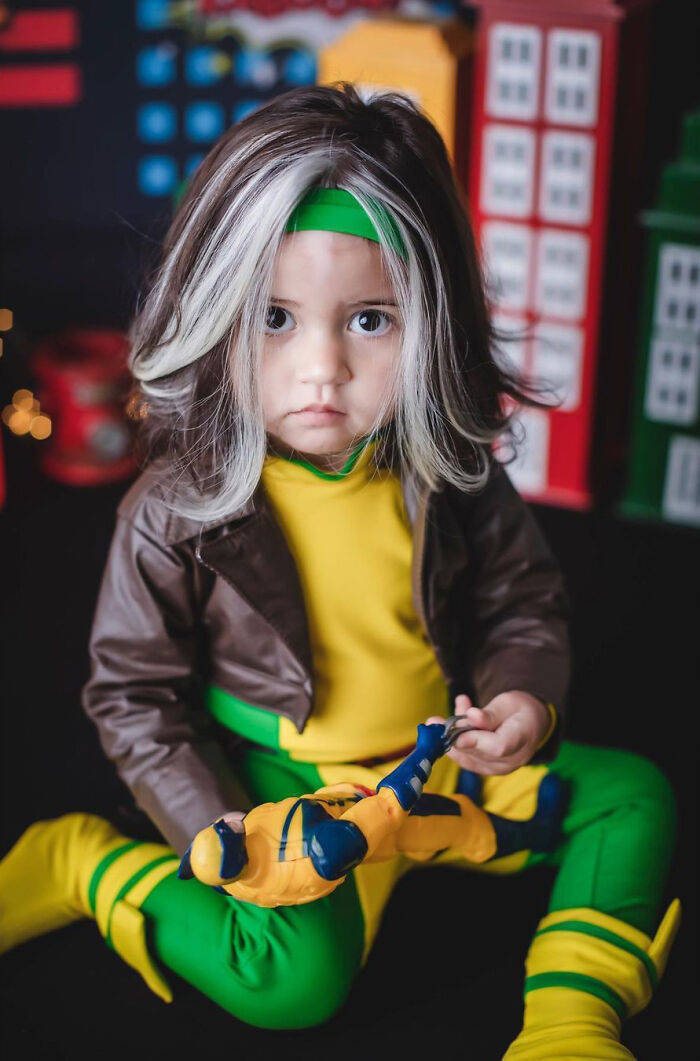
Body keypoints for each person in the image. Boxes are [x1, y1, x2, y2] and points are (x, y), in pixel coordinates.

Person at [0, 84, 680, 1058]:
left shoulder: (451, 468)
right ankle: (82, 861)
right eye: (275, 317)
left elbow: (521, 602)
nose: (321, 368)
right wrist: (223, 829)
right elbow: (133, 696)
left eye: (368, 320)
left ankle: (570, 1019)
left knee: (631, 795)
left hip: (438, 767)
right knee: (288, 984)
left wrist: (522, 697)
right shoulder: (174, 509)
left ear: (431, 319)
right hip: (292, 791)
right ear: (215, 311)